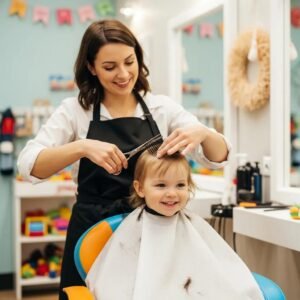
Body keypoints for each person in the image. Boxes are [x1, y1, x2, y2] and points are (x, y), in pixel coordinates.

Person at [17, 19, 231, 300]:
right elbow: (28, 165)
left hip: (152, 232)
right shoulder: (75, 111)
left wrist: (203, 132)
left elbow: (218, 157)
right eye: (109, 67)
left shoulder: (161, 108)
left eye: (129, 62)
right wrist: (81, 147)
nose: (123, 74)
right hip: (92, 231)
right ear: (91, 68)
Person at [86, 150, 264, 300]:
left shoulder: (194, 224)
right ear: (140, 188)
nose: (172, 193)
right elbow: (114, 282)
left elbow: (213, 269)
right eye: (161, 185)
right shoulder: (133, 228)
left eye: (180, 185)